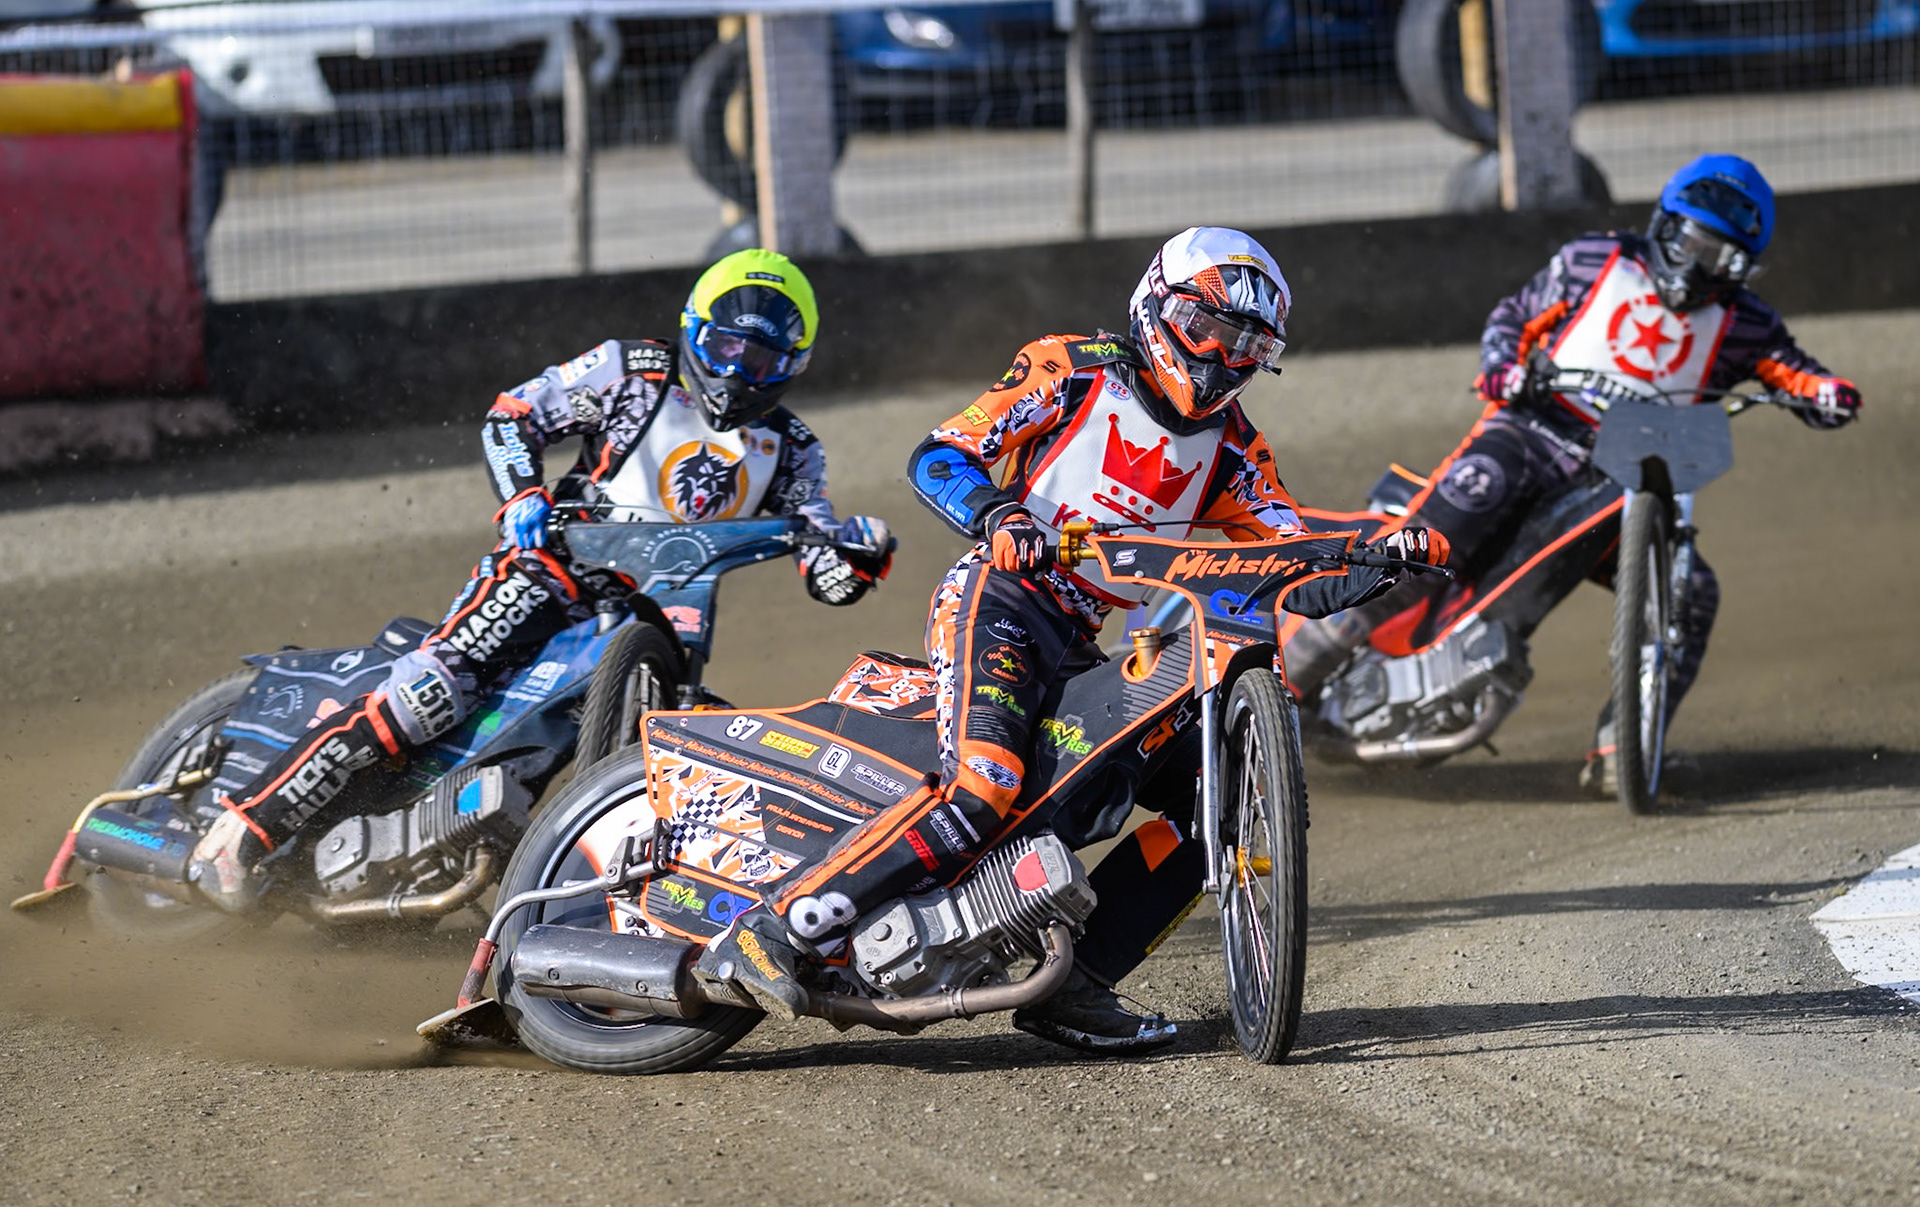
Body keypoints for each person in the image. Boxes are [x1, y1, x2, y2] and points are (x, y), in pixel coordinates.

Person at [693, 226, 1447, 1049]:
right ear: (1161, 307)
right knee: (981, 786)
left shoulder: (1236, 452)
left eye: (1248, 347)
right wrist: (1000, 514)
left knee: (1212, 803)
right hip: (1003, 600)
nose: (1224, 359)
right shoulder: (1072, 367)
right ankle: (773, 931)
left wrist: (1383, 557)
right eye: (1212, 332)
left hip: (1087, 639)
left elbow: (1283, 560)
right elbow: (940, 455)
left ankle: (1074, 986)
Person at [189, 249, 894, 909]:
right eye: (726, 346)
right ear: (693, 330)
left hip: (665, 619)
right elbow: (512, 415)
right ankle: (245, 828)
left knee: (706, 747)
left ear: (793, 364)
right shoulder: (634, 372)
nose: (740, 369)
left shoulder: (794, 449)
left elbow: (824, 572)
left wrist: (859, 553)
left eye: (763, 356)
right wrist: (523, 495)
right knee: (429, 692)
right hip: (553, 569)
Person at [1282, 154, 1862, 797]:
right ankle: (1288, 682)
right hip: (1529, 433)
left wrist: (1830, 393)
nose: (1697, 268)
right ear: (1664, 227)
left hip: (1628, 474)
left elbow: (1796, 371)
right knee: (1422, 552)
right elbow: (1512, 316)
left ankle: (1625, 746)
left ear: (1743, 268)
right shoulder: (1594, 259)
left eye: (1719, 258)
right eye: (1690, 243)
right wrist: (1504, 366)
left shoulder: (1750, 323)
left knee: (1690, 593)